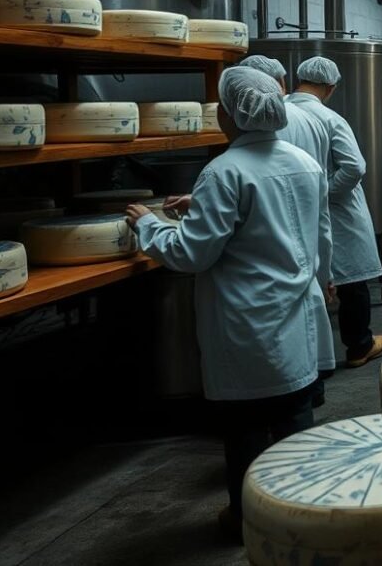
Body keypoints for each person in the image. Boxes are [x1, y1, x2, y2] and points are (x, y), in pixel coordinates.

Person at [125, 66, 331, 542]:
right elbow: (309, 230)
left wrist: (148, 226)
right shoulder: (304, 162)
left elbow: (192, 254)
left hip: (248, 320)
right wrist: (200, 206)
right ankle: (307, 511)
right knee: (295, 417)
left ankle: (247, 518)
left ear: (229, 114)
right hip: (297, 312)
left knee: (246, 429)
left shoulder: (222, 172)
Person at [246, 55, 337, 402]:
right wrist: (326, 271)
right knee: (307, 322)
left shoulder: (233, 165)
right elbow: (322, 210)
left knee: (279, 340)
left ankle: (294, 399)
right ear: (282, 82)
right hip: (308, 241)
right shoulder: (313, 121)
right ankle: (310, 391)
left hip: (269, 253)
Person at [288, 56, 382, 369]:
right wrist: (325, 191)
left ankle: (307, 355)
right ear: (330, 87)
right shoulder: (329, 118)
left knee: (303, 278)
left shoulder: (280, 112)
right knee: (352, 280)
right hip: (336, 210)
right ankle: (359, 345)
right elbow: (354, 166)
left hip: (291, 207)